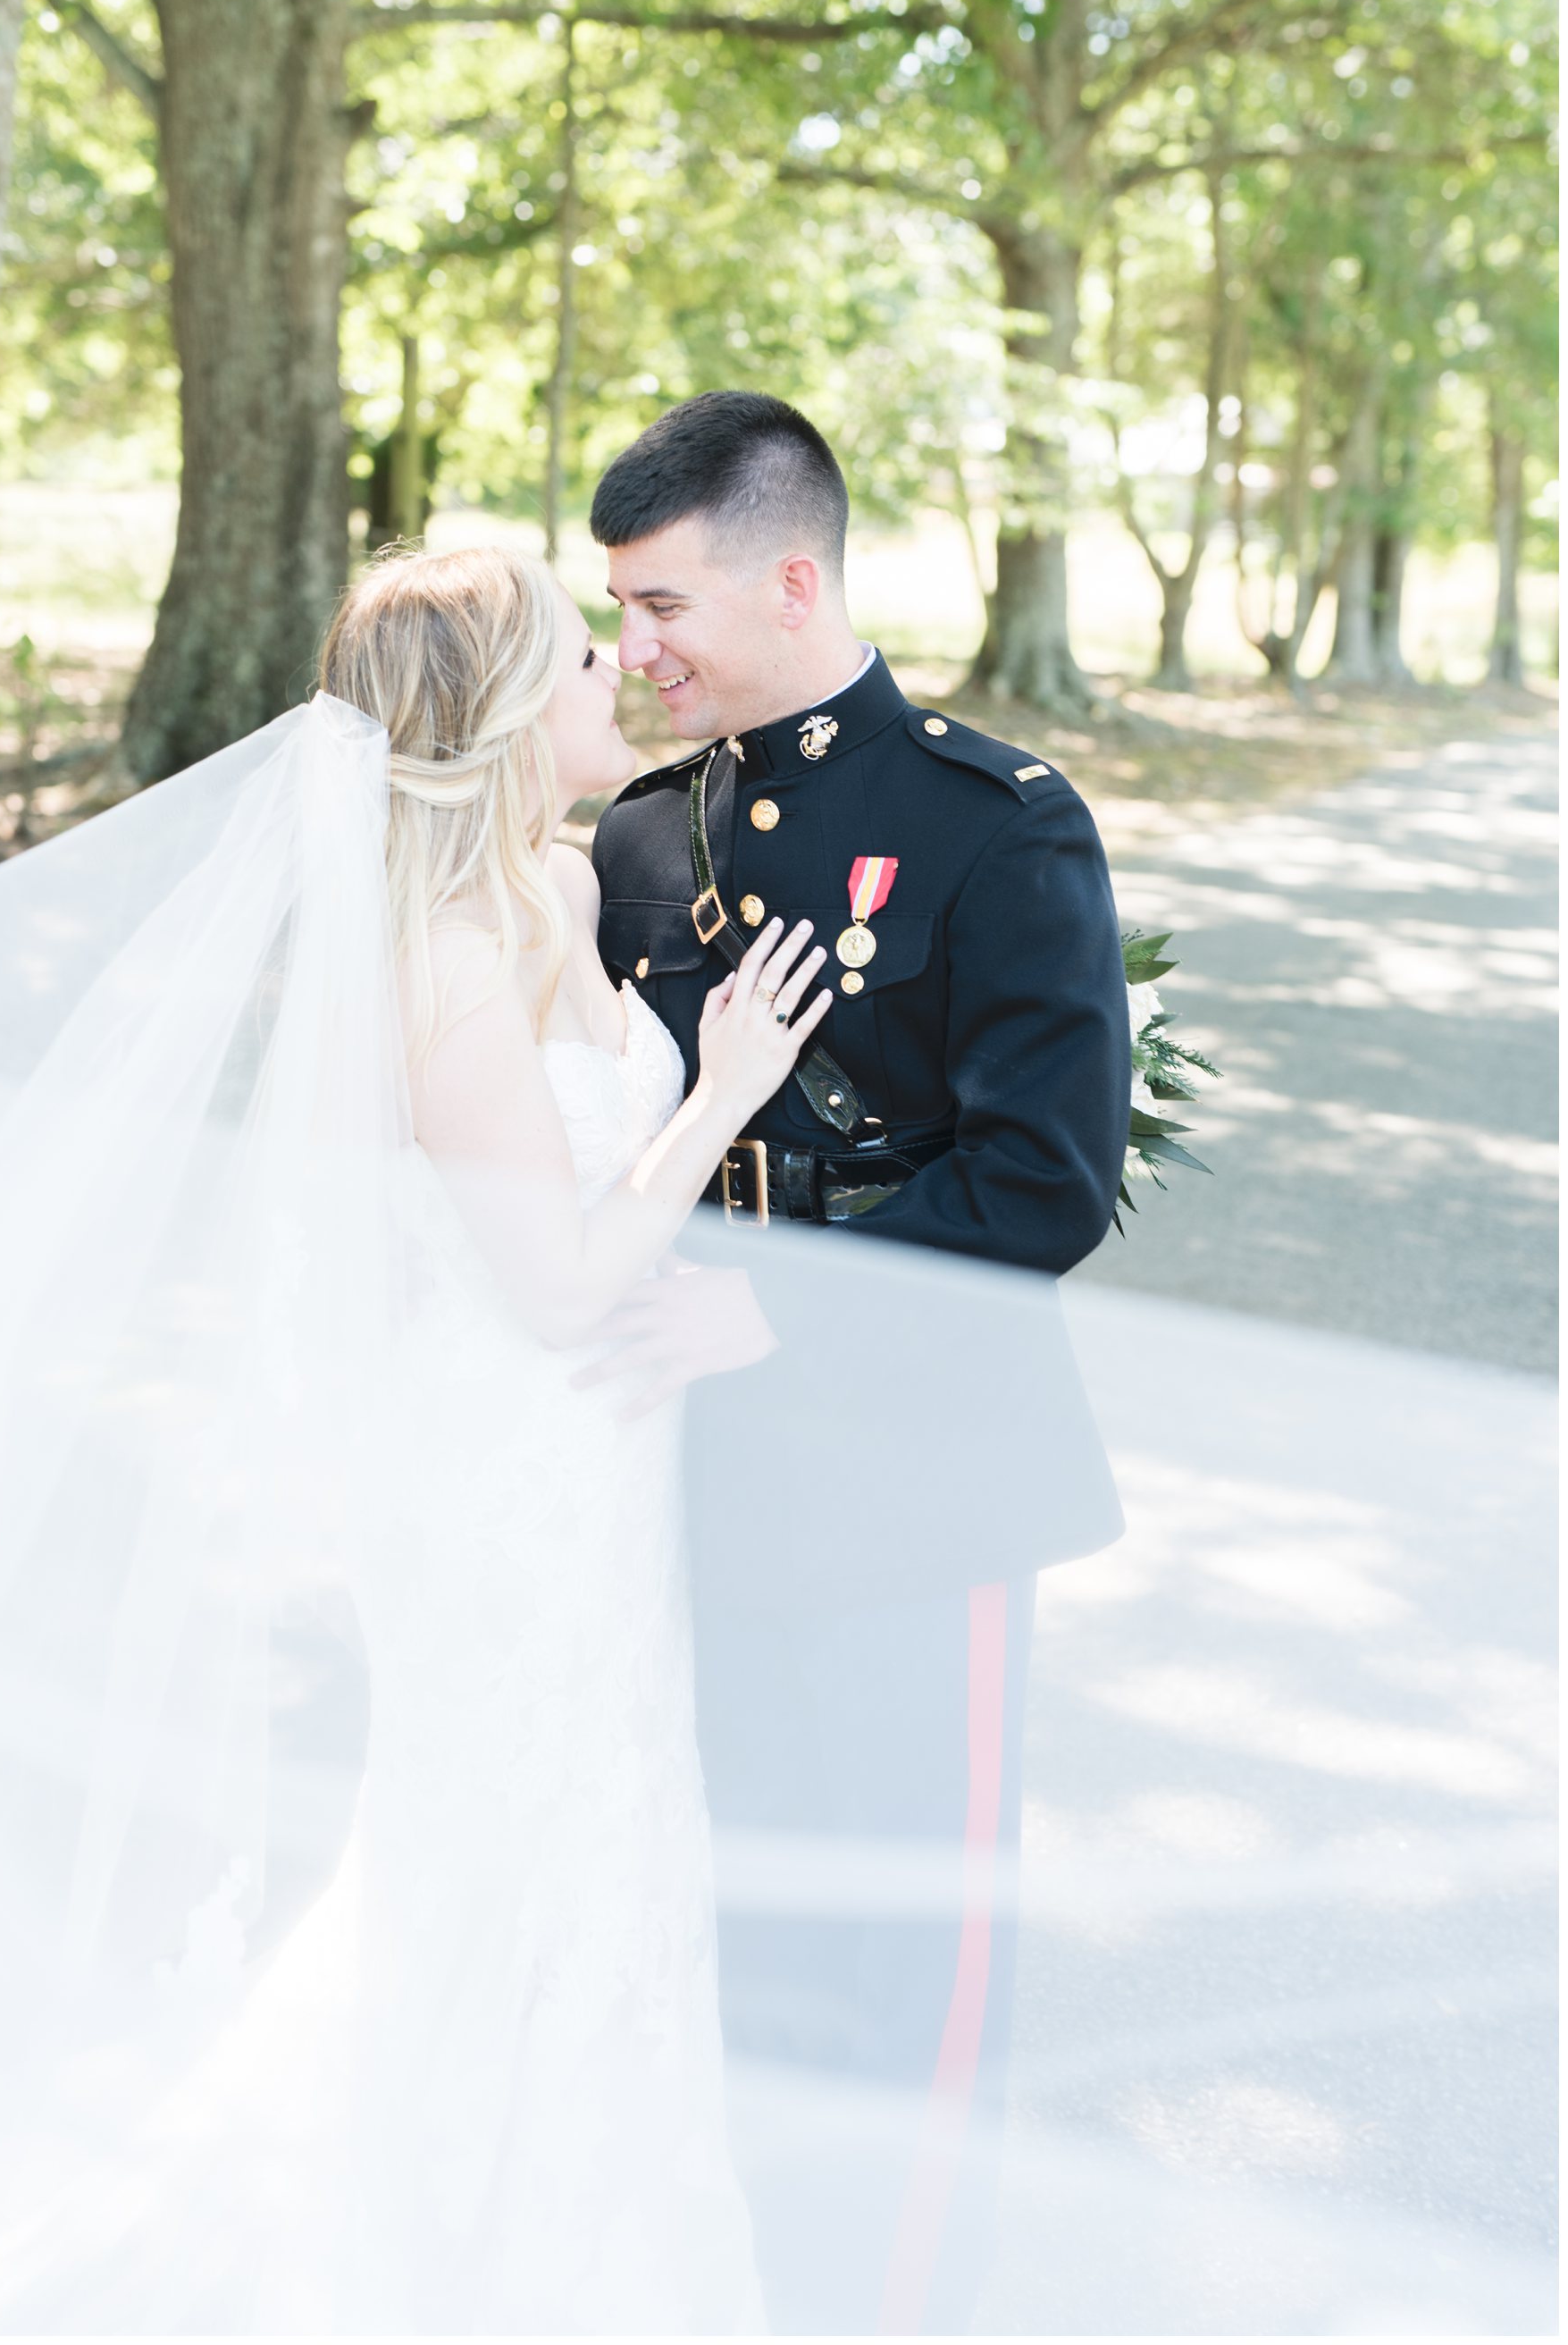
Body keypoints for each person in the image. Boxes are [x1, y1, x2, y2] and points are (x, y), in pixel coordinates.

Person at [0, 544, 834, 2333]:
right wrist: (729, 1088)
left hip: (598, 1474)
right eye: (575, 646)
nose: (614, 661)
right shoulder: (441, 965)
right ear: (508, 712)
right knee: (500, 1860)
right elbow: (567, 1275)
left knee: (608, 1845)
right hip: (509, 1481)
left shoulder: (558, 878)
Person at [585, 391, 1132, 2331]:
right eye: (619, 608)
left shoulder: (993, 823)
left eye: (663, 603)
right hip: (681, 1469)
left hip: (913, 1489)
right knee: (727, 1923)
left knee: (903, 1952)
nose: (635, 646)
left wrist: (781, 1303)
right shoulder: (643, 831)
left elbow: (1048, 1179)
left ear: (793, 576)